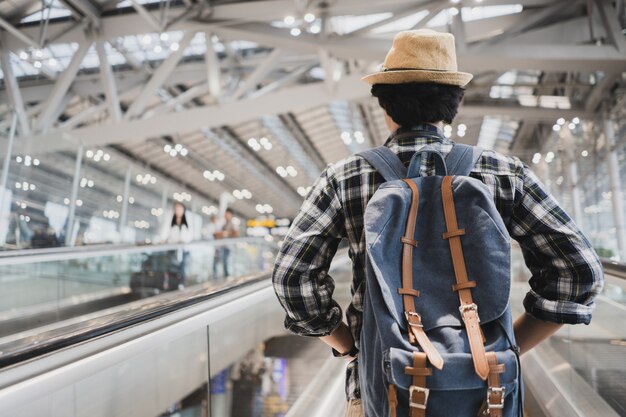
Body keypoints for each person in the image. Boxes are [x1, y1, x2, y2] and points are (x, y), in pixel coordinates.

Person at [271, 29, 603, 417]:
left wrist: (351, 345)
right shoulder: (503, 173)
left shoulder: (345, 177)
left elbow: (292, 277)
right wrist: (508, 344)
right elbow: (580, 272)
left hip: (384, 388)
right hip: (485, 390)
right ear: (453, 105)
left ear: (385, 104)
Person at [164, 202, 193, 287]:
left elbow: (190, 235)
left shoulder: (187, 220)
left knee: (183, 267)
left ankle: (182, 284)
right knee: (170, 266)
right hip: (172, 247)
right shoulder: (171, 219)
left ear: (183, 210)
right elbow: (165, 232)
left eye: (179, 208)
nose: (178, 210)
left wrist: (183, 240)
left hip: (184, 248)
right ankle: (171, 284)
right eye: (176, 209)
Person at [214, 208, 239, 278]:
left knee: (226, 263)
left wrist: (227, 233)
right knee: (216, 264)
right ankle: (217, 278)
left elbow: (236, 234)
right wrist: (222, 234)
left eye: (228, 214)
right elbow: (216, 234)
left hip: (227, 247)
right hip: (219, 247)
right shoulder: (221, 223)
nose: (227, 216)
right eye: (226, 214)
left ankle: (227, 277)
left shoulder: (233, 224)